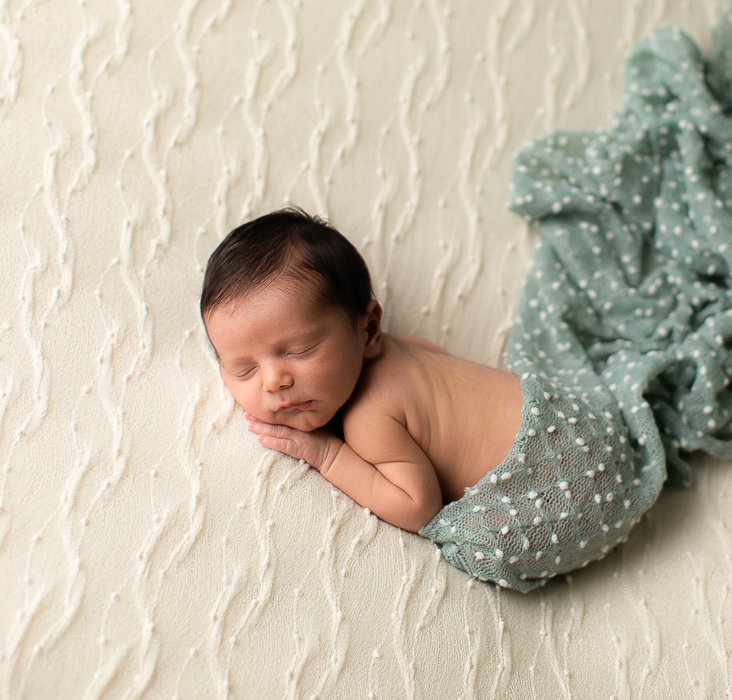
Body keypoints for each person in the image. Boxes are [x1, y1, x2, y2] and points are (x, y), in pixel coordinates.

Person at [200, 207, 523, 534]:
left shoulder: (368, 417)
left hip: (539, 483)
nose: (273, 382)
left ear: (368, 330)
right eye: (244, 370)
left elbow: (420, 509)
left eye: (300, 350)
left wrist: (327, 454)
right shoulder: (406, 347)